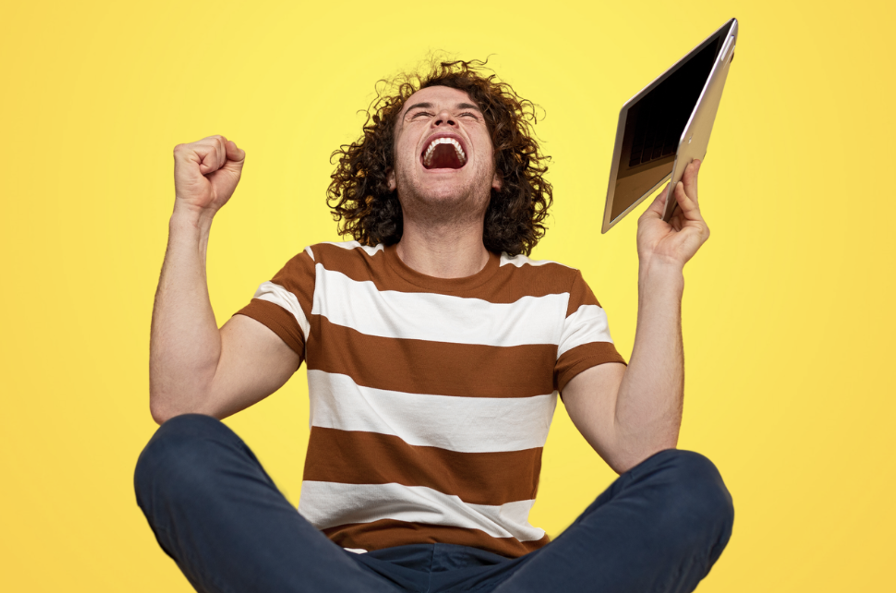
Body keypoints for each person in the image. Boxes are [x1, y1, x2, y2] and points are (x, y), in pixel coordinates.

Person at [135, 60, 733, 593]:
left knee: (689, 486)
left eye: (466, 116)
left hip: (510, 578)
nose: (442, 120)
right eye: (419, 115)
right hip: (342, 573)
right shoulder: (325, 274)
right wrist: (192, 215)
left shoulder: (556, 294)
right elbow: (185, 398)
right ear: (391, 174)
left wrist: (662, 272)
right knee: (181, 452)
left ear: (499, 174)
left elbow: (644, 450)